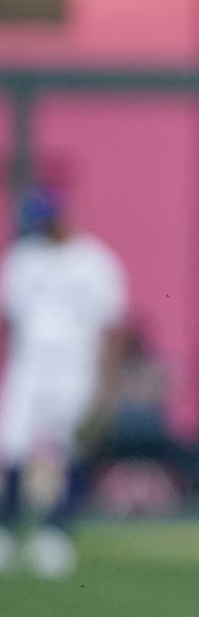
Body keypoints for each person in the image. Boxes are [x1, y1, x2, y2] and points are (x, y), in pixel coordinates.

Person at [0, 186, 127, 578]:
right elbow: (11, 320)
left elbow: (111, 329)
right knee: (12, 446)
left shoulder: (94, 262)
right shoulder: (22, 259)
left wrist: (107, 387)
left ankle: (56, 534)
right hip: (31, 366)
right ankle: (6, 530)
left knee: (71, 448)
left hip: (76, 367)